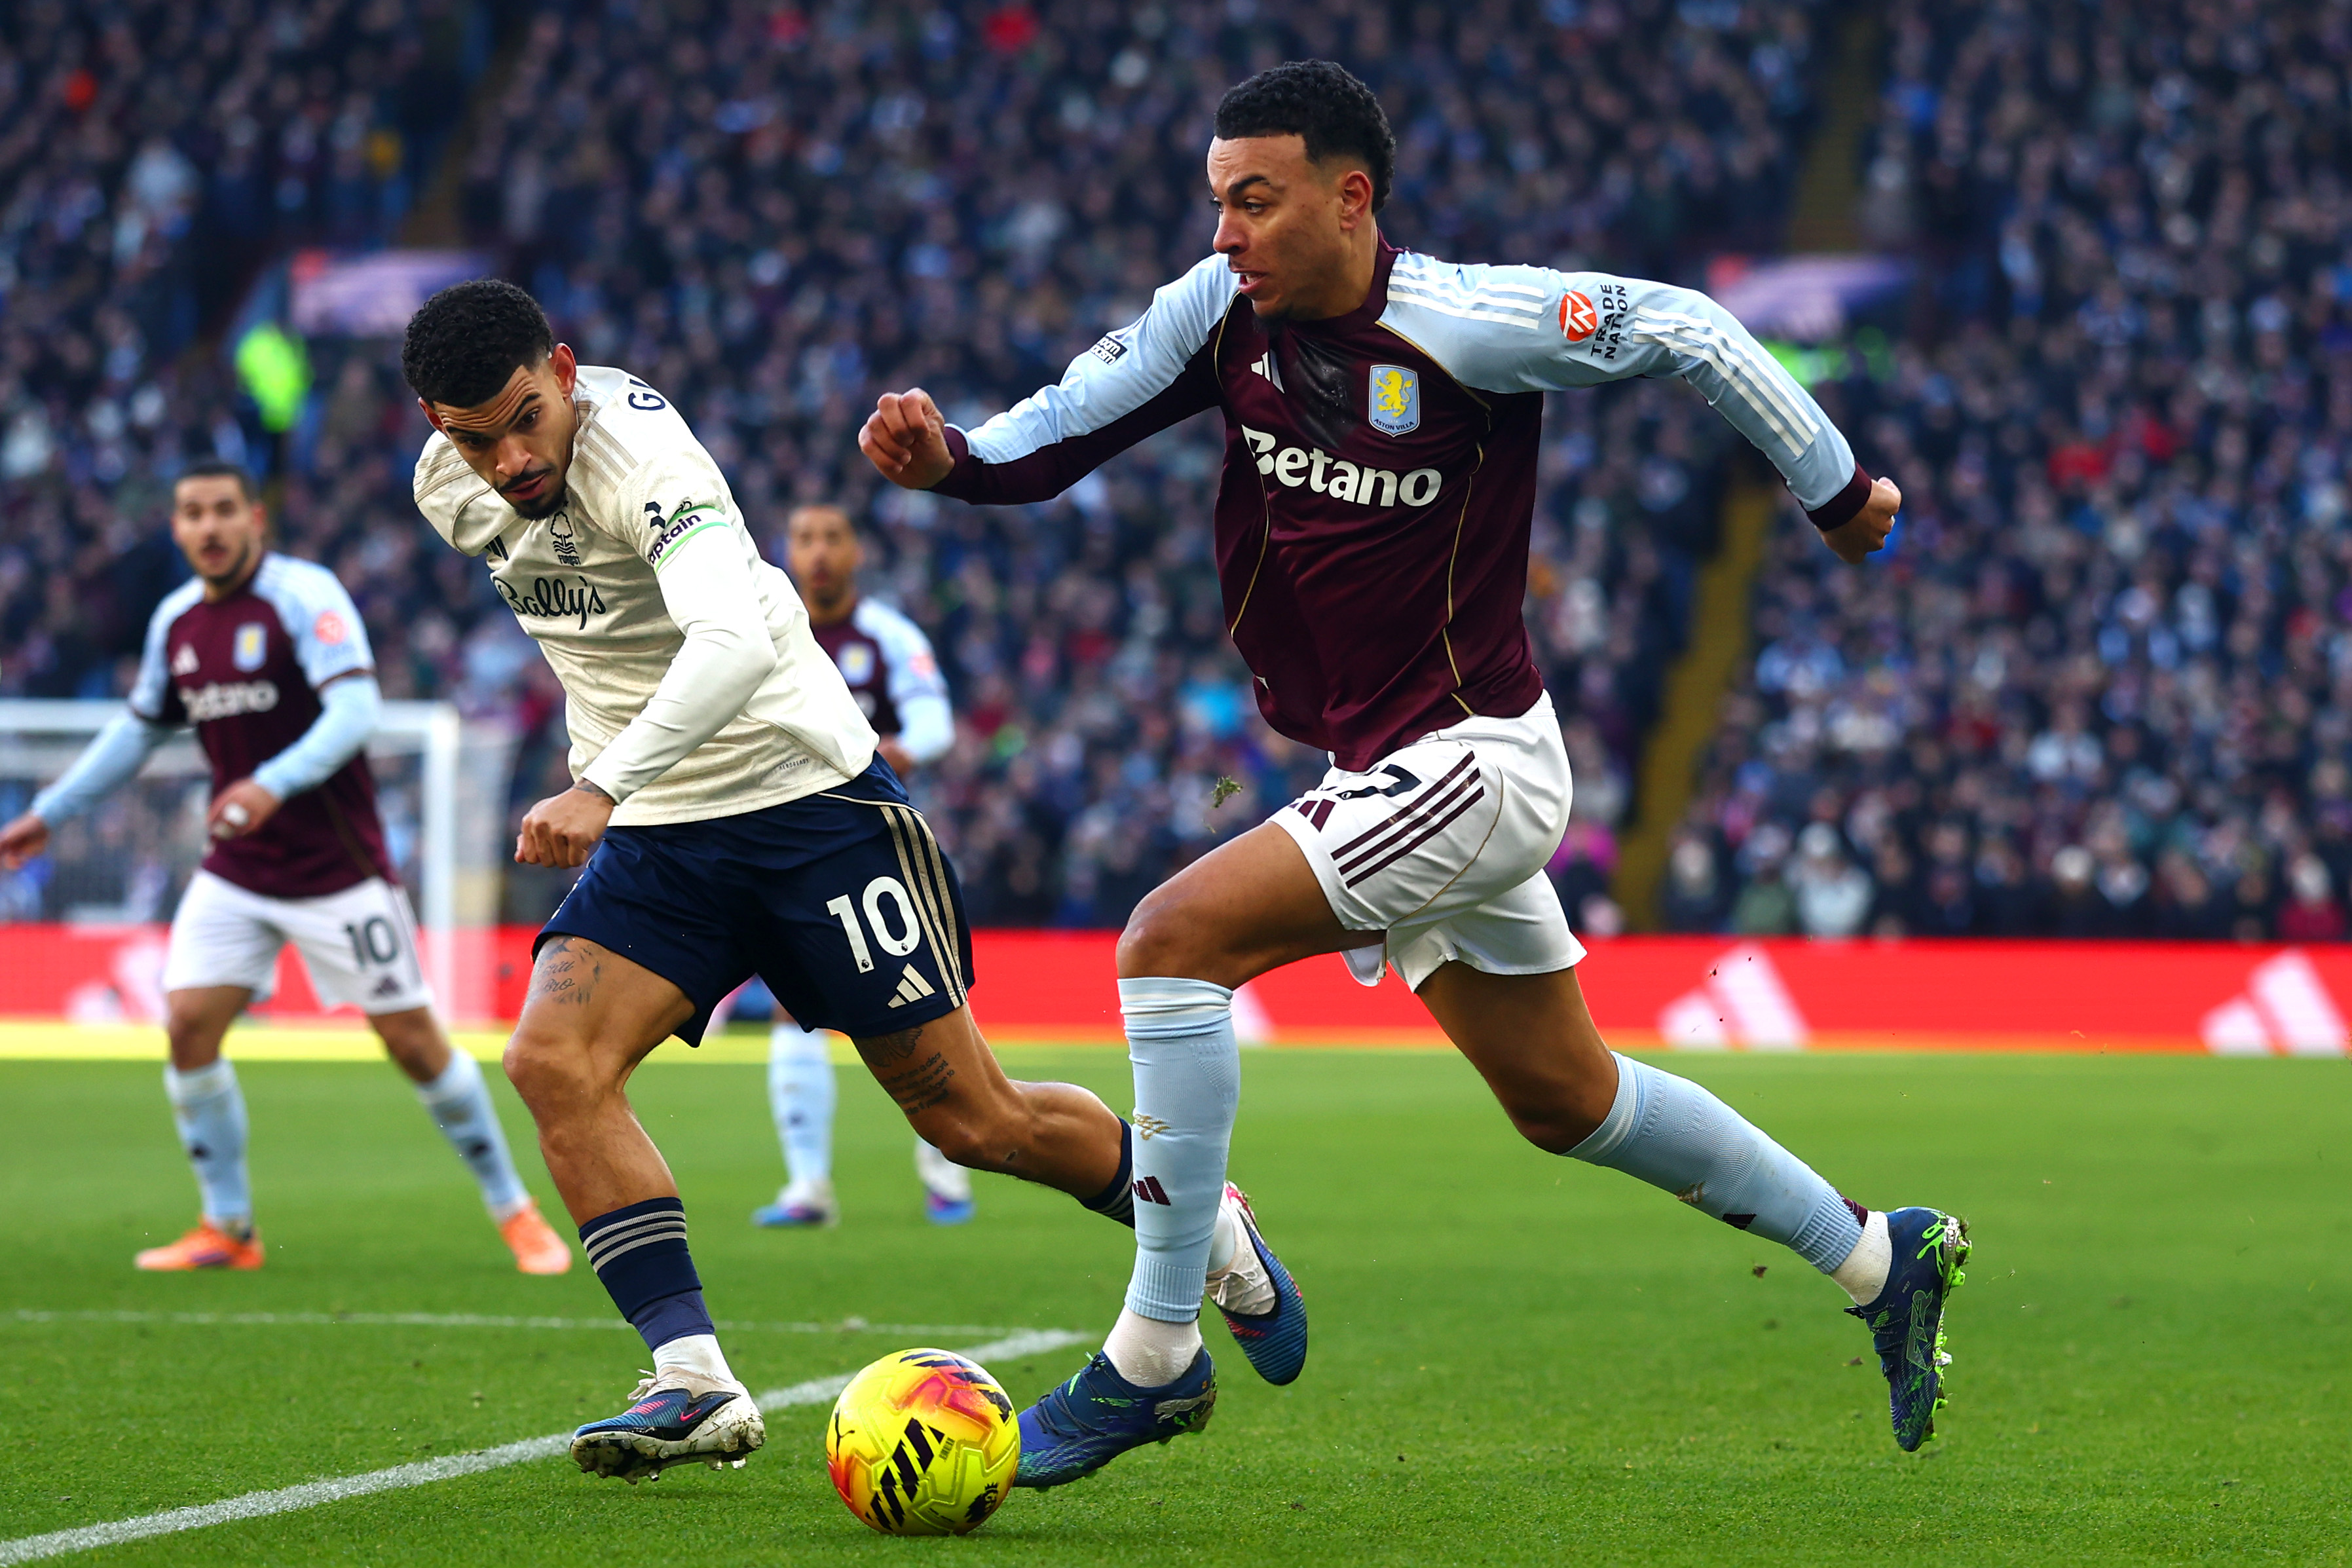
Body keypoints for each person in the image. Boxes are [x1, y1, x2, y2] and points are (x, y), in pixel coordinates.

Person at [860, 60, 1967, 1484]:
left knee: (1168, 944)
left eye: (1253, 202)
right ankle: (1881, 1258)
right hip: (1386, 762)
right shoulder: (1219, 316)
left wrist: (1833, 488)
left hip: (1477, 758)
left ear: (1349, 195)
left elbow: (1685, 328)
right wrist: (948, 456)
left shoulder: (1463, 321)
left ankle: (1156, 1355)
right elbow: (1065, 423)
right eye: (1216, 204)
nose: (1224, 235)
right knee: (1565, 1099)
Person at [401, 280, 1299, 1485]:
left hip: (809, 804)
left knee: (975, 1120)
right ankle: (693, 1380)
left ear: (564, 369)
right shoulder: (443, 486)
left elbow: (729, 640)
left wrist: (601, 782)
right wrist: (622, 785)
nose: (508, 459)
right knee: (552, 1062)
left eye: (523, 419)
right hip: (668, 829)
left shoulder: (648, 455)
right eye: (474, 436)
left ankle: (1215, 1227)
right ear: (434, 424)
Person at [0, 461, 569, 1279]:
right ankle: (228, 1227)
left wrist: (271, 782)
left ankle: (515, 1210)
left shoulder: (306, 598)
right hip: (239, 870)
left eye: (224, 510)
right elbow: (137, 733)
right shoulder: (177, 624)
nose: (209, 527)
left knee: (414, 1044)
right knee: (189, 1026)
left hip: (339, 872)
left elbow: (354, 713)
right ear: (177, 527)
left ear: (255, 519)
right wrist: (50, 812)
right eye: (193, 513)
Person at [754, 503, 974, 1230]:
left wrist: (901, 747)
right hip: (788, 844)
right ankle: (808, 1188)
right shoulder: (762, 630)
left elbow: (935, 721)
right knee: (793, 1005)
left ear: (856, 553)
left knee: (916, 1003)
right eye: (805, 538)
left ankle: (947, 1173)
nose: (817, 552)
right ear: (786, 549)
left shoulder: (888, 635)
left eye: (832, 537)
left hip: (875, 845)